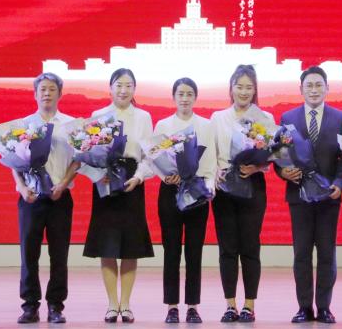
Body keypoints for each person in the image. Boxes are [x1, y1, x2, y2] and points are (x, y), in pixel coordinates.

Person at [278, 66, 342, 324]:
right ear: (301, 89)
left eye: (319, 85)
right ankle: (303, 307)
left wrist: (340, 184)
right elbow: (280, 155)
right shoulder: (287, 117)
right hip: (299, 197)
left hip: (328, 198)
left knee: (327, 254)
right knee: (301, 254)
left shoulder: (340, 118)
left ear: (327, 88)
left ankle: (324, 307)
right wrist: (283, 172)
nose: (314, 90)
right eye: (309, 85)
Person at [82, 68, 154, 323]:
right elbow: (86, 153)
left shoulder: (143, 117)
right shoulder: (98, 116)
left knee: (130, 247)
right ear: (110, 88)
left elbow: (149, 155)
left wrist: (139, 177)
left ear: (134, 89)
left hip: (132, 181)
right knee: (108, 245)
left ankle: (126, 304)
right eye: (119, 85)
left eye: (128, 85)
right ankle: (112, 304)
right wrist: (97, 175)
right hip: (105, 182)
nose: (123, 90)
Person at [147, 77, 217, 324]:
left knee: (194, 251)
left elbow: (210, 161)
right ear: (174, 97)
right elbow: (153, 157)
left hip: (197, 191)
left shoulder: (206, 125)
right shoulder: (163, 125)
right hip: (170, 192)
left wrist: (207, 186)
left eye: (189, 94)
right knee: (172, 250)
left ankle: (193, 306)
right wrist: (165, 176)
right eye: (180, 94)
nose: (185, 98)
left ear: (195, 97)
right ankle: (172, 306)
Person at [210, 64, 274, 323]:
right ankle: (229, 304)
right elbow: (211, 153)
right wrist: (215, 170)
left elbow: (273, 155)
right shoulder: (218, 118)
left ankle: (249, 305)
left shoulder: (265, 118)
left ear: (255, 90)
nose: (244, 92)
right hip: (225, 186)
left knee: (250, 246)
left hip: (252, 185)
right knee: (227, 248)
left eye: (249, 87)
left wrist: (257, 166)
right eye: (239, 86)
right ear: (231, 88)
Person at [13, 72, 77, 324]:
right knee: (29, 253)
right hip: (31, 198)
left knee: (59, 254)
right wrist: (21, 188)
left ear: (60, 94)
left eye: (52, 89)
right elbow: (13, 160)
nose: (47, 93)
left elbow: (78, 159)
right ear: (35, 94)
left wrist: (63, 183)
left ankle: (55, 305)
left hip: (60, 196)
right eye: (43, 89)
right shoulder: (24, 124)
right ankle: (30, 305)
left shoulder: (71, 124)